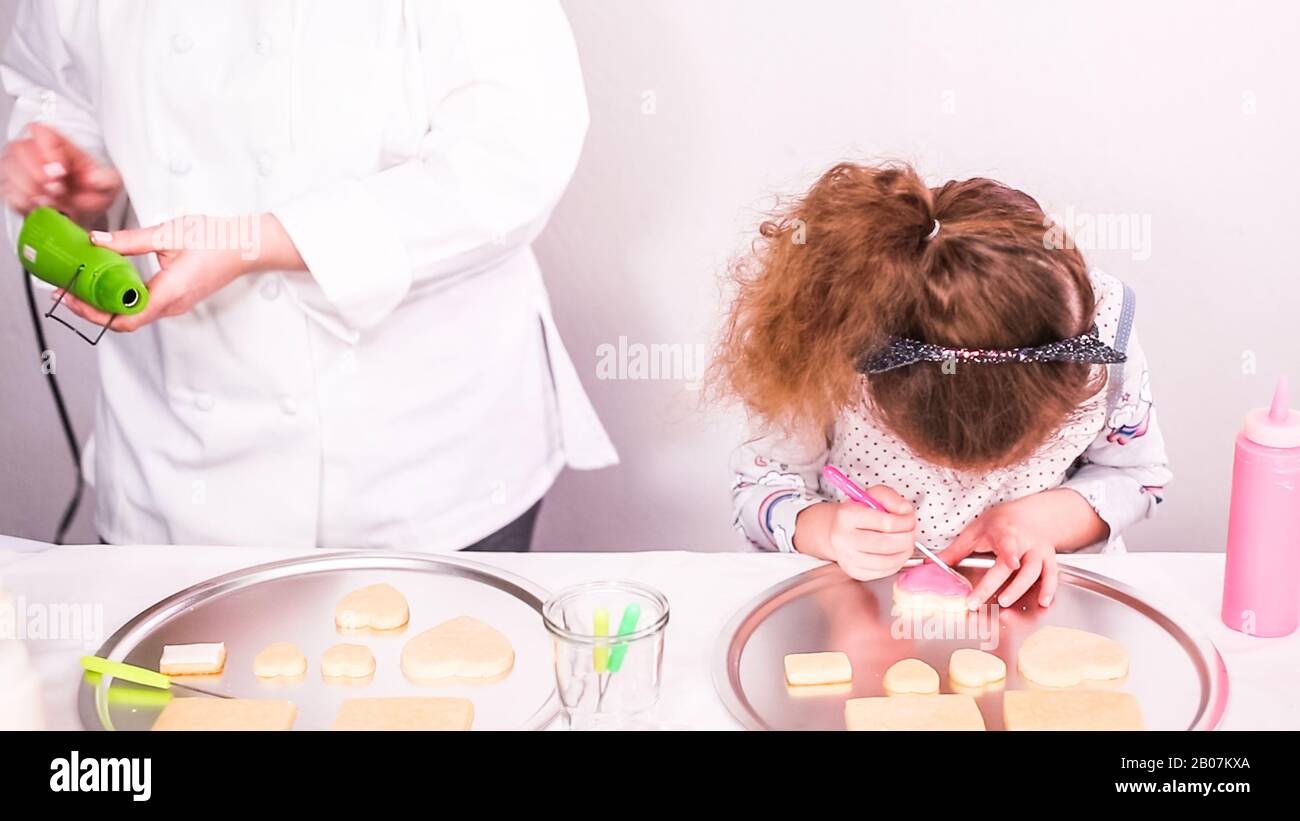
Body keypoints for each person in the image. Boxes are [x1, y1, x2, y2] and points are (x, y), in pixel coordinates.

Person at [0, 1, 616, 550]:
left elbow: (512, 155)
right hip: (172, 461)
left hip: (420, 467)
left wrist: (256, 241)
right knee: (177, 678)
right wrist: (63, 178)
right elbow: (55, 90)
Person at [715, 162, 1170, 607]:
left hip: (1046, 615)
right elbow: (760, 486)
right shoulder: (835, 343)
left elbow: (1138, 475)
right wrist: (825, 529)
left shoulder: (1100, 337)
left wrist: (1041, 520)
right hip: (861, 615)